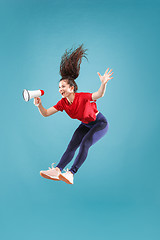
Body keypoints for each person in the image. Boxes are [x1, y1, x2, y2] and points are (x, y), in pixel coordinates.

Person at [34, 44, 113, 185]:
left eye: (63, 87)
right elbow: (45, 113)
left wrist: (103, 83)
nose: (60, 89)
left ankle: (71, 173)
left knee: (85, 143)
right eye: (59, 87)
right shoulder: (63, 103)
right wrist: (39, 104)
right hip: (85, 124)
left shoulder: (83, 97)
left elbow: (99, 94)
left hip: (100, 124)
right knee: (71, 146)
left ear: (71, 88)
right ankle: (57, 170)